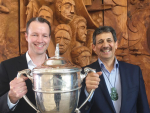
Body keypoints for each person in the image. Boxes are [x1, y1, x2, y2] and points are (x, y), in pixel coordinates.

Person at [78, 26, 150, 113]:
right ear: (94, 47)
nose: (105, 45)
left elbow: (143, 108)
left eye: (109, 40)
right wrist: (87, 91)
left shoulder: (134, 71)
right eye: (100, 42)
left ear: (116, 44)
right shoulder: (83, 74)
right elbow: (79, 110)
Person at [0, 17, 51, 113]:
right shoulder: (6, 67)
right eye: (35, 35)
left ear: (49, 38)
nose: (40, 40)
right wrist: (10, 98)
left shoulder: (60, 68)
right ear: (26, 36)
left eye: (44, 36)